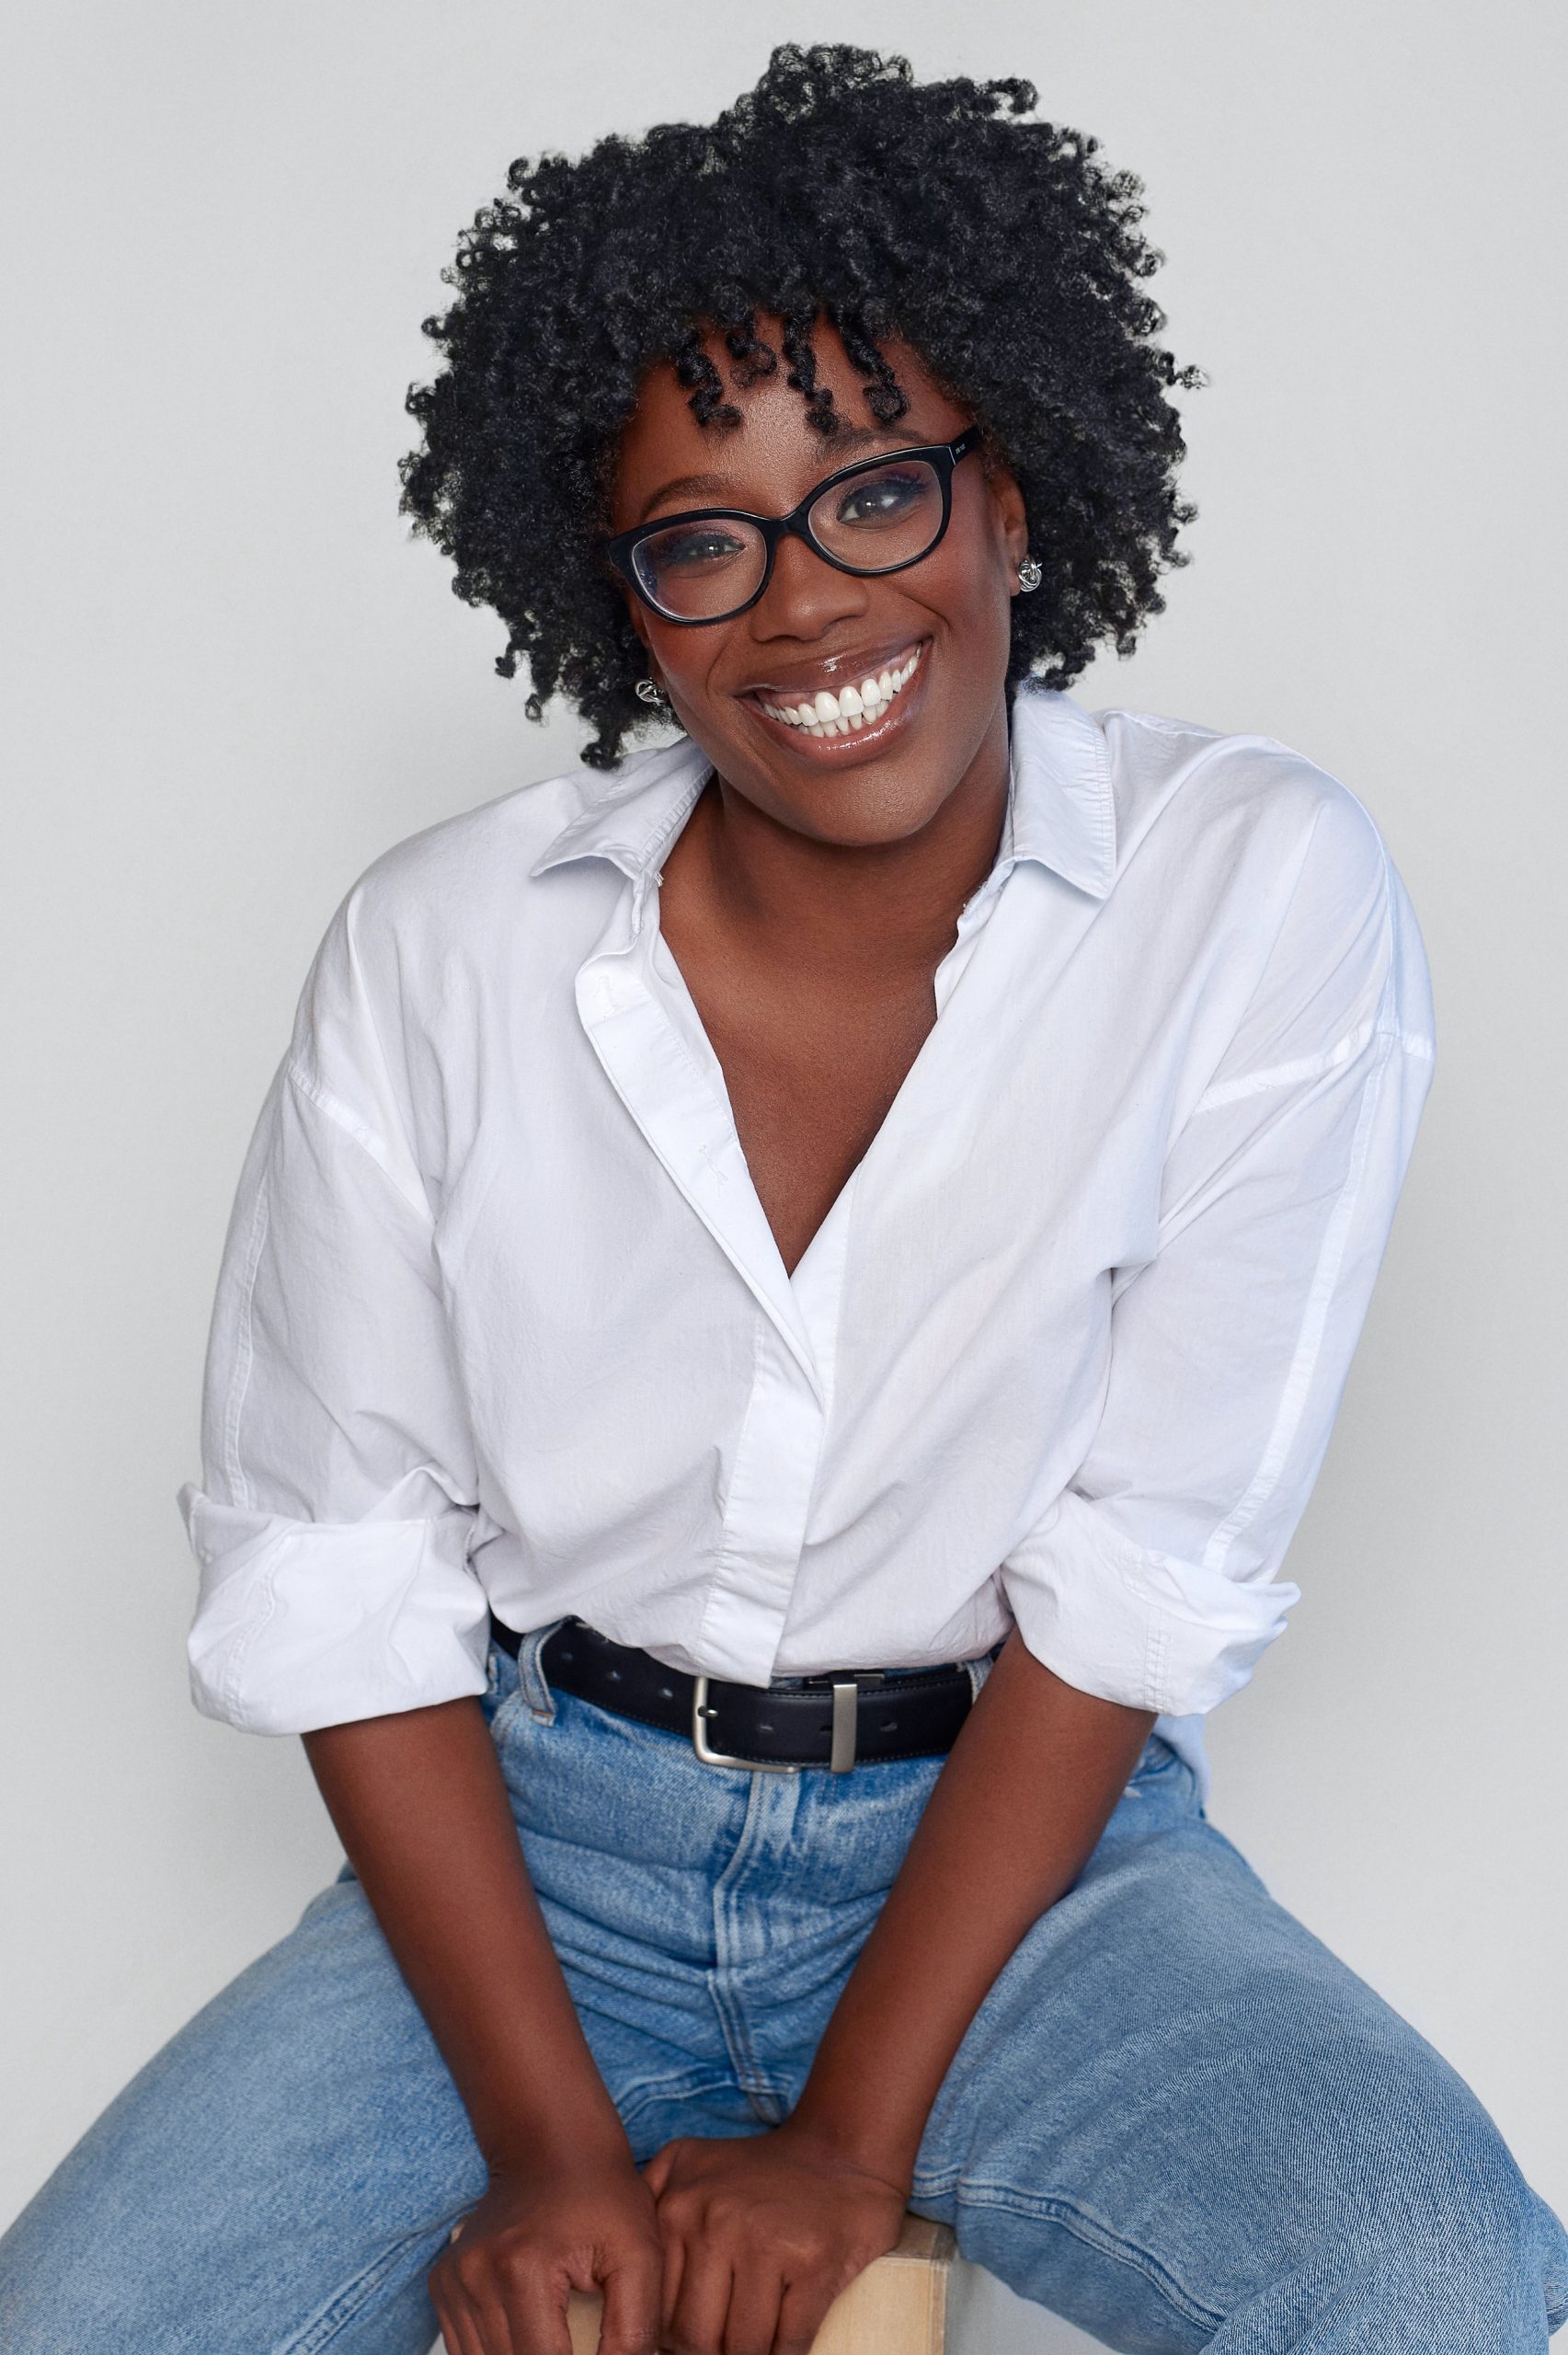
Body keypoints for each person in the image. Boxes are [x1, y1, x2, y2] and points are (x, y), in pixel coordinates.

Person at [1, 40, 1562, 2355]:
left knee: (1431, 2285)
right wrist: (545, 2148)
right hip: (555, 1852)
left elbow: (1142, 1570)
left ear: (1013, 493)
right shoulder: (442, 948)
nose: (807, 605)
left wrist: (845, 2143)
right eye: (700, 538)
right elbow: (332, 1568)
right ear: (621, 600)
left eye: (876, 493)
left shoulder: (1251, 889)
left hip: (1036, 1867)